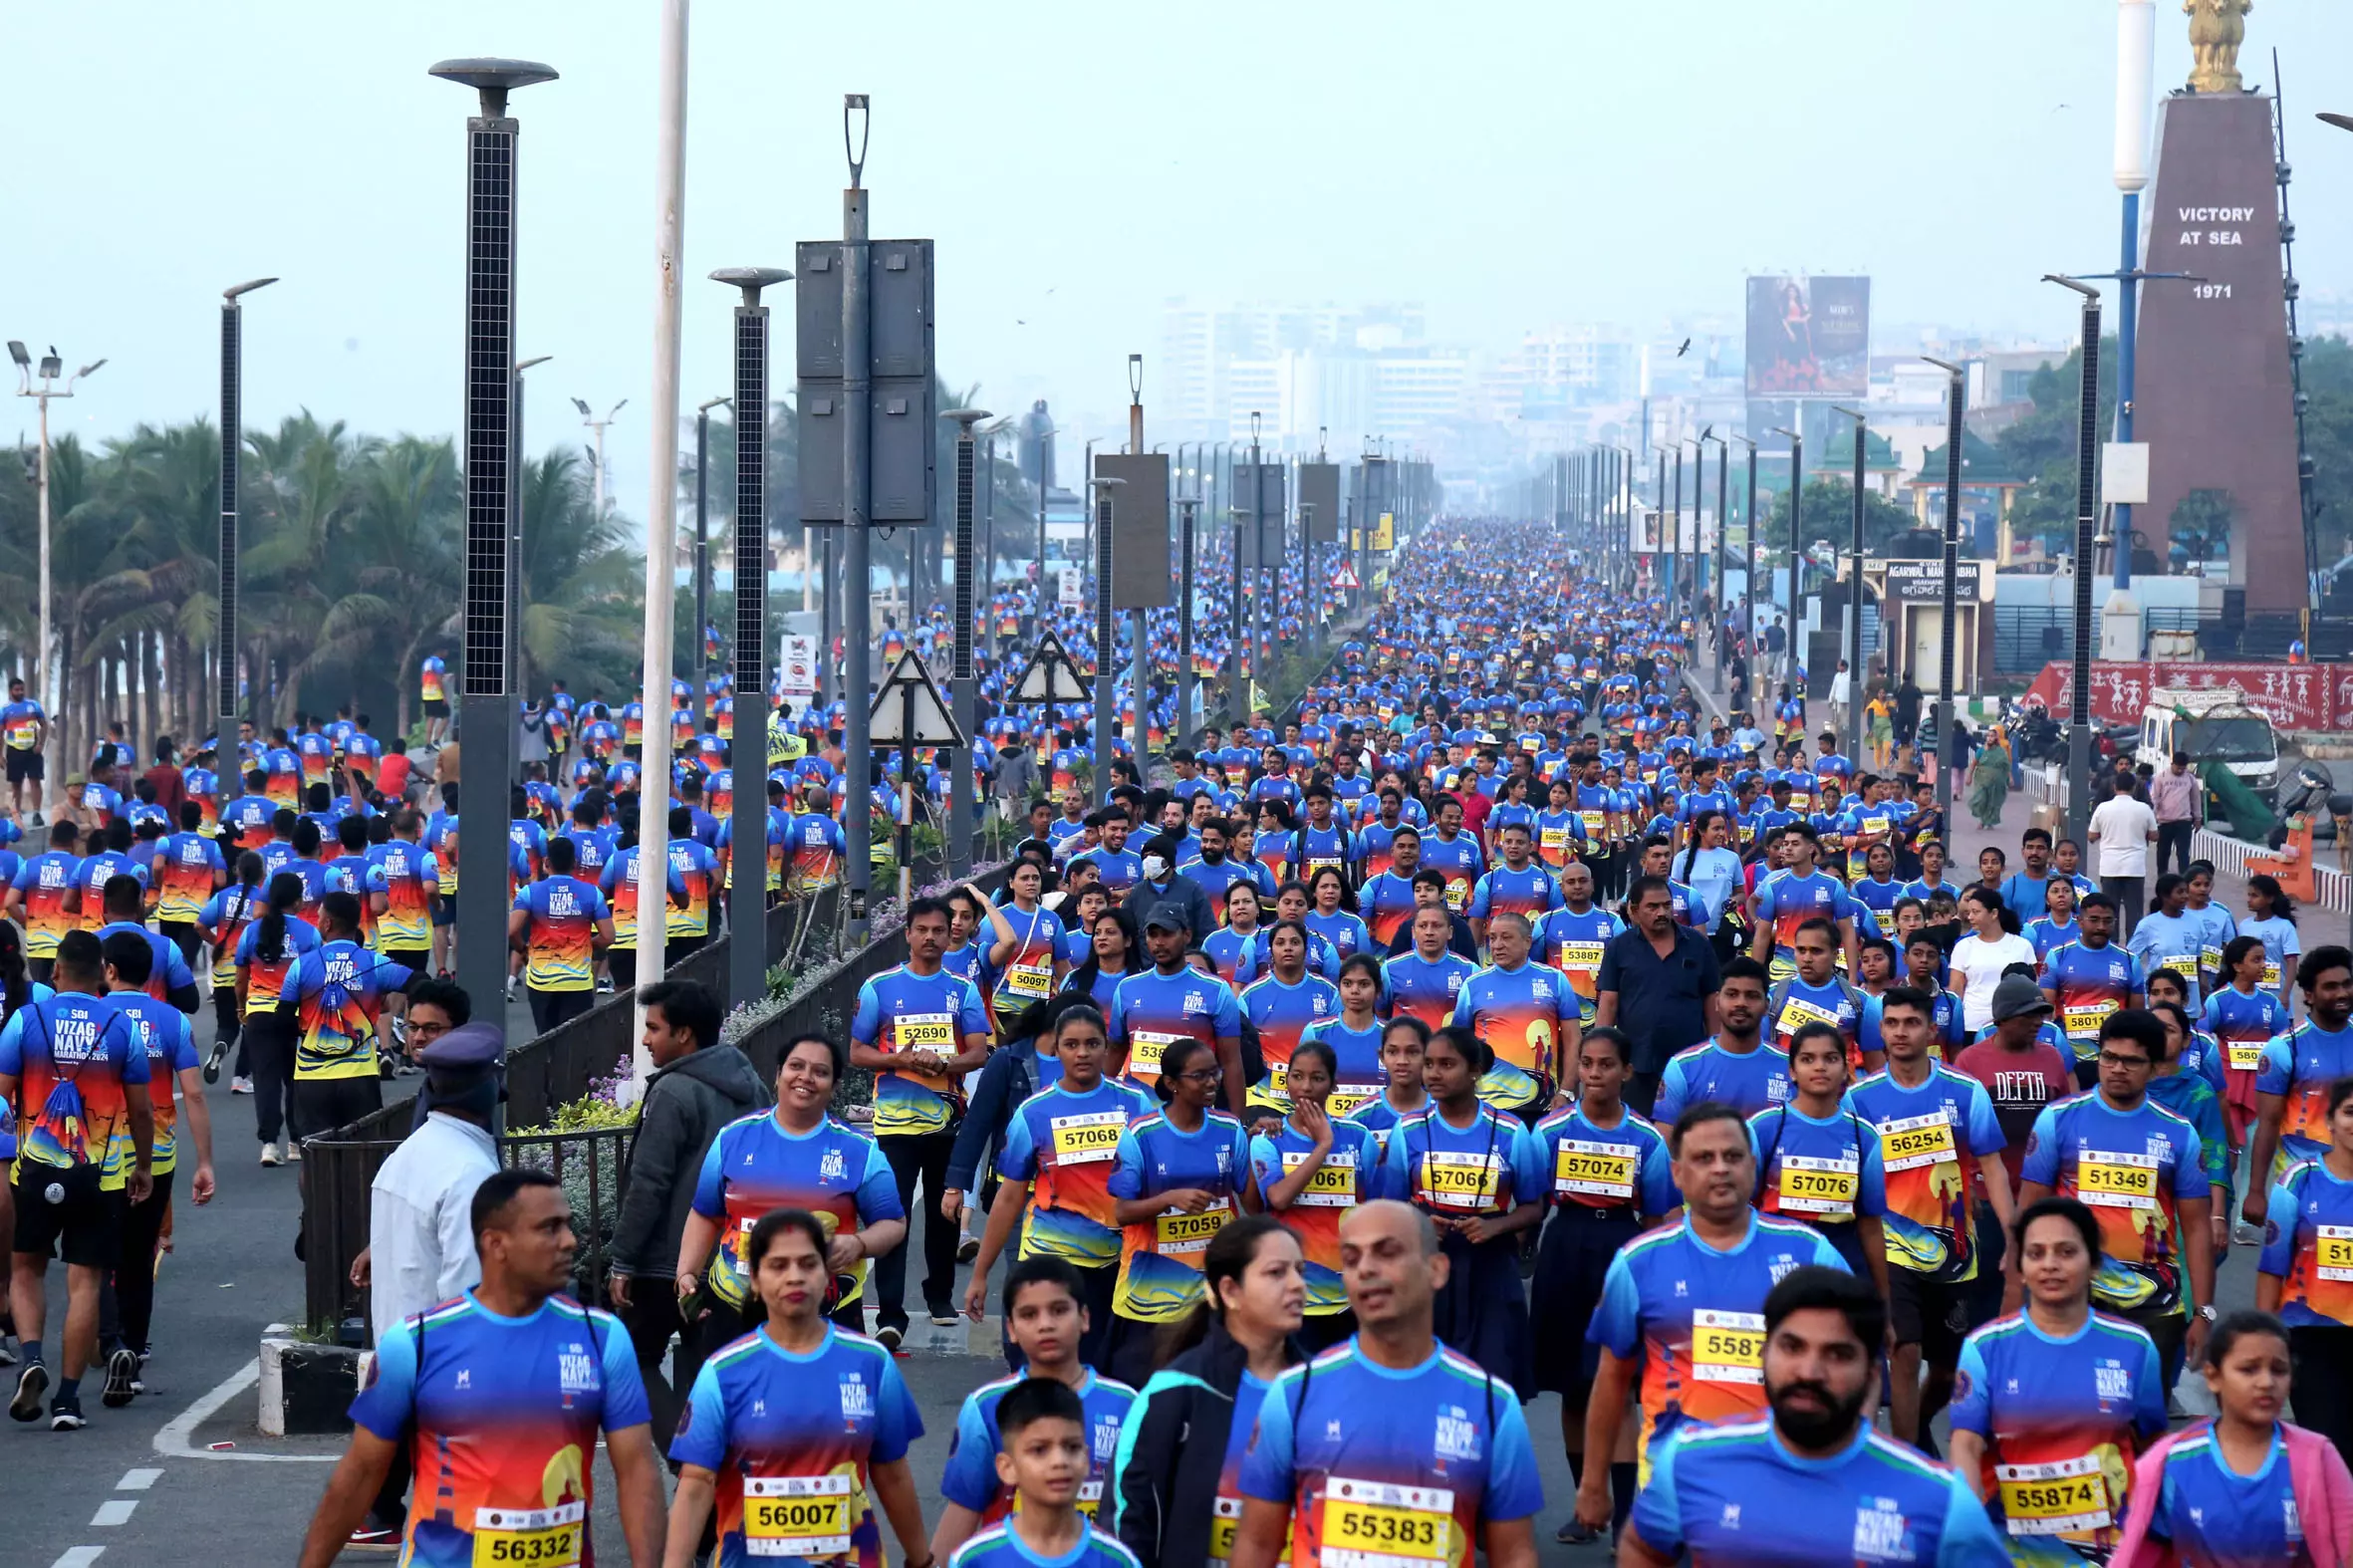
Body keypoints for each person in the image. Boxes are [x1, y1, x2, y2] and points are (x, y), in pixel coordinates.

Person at [300, 1170, 665, 1568]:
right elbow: (359, 1475)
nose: (570, 1241)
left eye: (568, 1226)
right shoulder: (416, 1344)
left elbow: (637, 1472)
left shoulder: (601, 1339)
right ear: (496, 1244)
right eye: (549, 1228)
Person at [1571, 1103, 1851, 1537]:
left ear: (1754, 1167)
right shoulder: (1638, 1263)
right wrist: (1592, 1485)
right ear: (1678, 1174)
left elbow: (1859, 1367)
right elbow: (1611, 1379)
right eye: (1704, 1159)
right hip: (1675, 1493)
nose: (1721, 1169)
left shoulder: (1810, 1254)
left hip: (1790, 1492)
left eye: (1733, 1156)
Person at [1621, 1265, 2008, 1566]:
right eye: (1792, 1347)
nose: (1809, 1371)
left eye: (1837, 1354)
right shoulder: (1688, 1461)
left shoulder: (1942, 1501)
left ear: (1872, 1374)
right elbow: (1642, 1547)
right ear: (1764, 1355)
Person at [1228, 1200, 1544, 1568]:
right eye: (1350, 1259)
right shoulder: (1294, 1395)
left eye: (1387, 1252)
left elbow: (1515, 1553)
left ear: (1437, 1270)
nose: (1366, 1269)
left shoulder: (1492, 1405)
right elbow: (1256, 1544)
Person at [660, 1205, 931, 1568]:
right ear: (754, 1279)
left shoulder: (870, 1363)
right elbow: (695, 1487)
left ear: (827, 1273)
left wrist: (922, 1560)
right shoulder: (723, 1373)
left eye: (808, 1263)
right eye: (778, 1265)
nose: (794, 1276)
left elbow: (893, 1474)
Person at [338, 1019, 503, 1549]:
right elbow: (469, 1283)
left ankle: (379, 1518)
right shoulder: (469, 1170)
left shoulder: (408, 1155)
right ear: (488, 1090)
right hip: (446, 1356)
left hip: (401, 1338)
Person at [1945, 1195, 2166, 1560]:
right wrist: (1966, 1524)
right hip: (2011, 1548)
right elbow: (1966, 1444)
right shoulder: (1983, 1348)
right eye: (2036, 1253)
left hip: (2107, 1549)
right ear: (2021, 1266)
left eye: (2066, 1252)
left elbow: (2152, 1446)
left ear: (2094, 1264)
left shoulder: (2135, 1347)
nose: (2050, 1265)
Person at [1846, 985, 2015, 1452]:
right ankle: (1907, 1461)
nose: (1901, 1033)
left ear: (1931, 1031)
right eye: (1892, 1024)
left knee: (1946, 1368)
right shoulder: (1858, 1100)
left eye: (1911, 1023)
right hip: (1889, 1250)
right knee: (1904, 1351)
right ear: (1880, 1030)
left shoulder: (1964, 1092)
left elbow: (1994, 1169)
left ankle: (1916, 1428)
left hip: (1956, 1253)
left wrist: (2013, 1236)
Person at [0, 928, 153, 1432]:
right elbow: (141, 1110)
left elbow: (1, 1099)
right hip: (100, 1176)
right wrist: (144, 1166)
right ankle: (67, 1399)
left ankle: (30, 1359)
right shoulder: (121, 1026)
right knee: (85, 1280)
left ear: (57, 971)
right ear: (102, 976)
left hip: (33, 1171)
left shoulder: (27, 1020)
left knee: (26, 1271)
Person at [2018, 1008, 2216, 1393]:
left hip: (2156, 1304)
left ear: (2155, 1067)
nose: (2117, 1068)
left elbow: (2195, 1227)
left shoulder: (2179, 1134)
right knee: (2076, 1414)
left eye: (2131, 1061)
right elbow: (2029, 1216)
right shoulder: (2057, 1120)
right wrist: (2020, 1296)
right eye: (2109, 1057)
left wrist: (2204, 1312)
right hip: (2074, 1297)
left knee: (2142, 1427)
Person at [604, 978, 766, 1439]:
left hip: (667, 1263)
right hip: (733, 1258)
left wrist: (623, 1260)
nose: (644, 1040)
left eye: (653, 1028)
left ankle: (689, 1457)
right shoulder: (751, 1085)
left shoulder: (674, 1091)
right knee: (710, 1367)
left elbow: (648, 1183)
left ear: (684, 1034)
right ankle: (713, 1476)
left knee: (632, 1360)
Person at [1530, 1026, 1673, 1546]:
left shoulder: (1647, 1139)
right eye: (1586, 1063)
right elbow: (1531, 1200)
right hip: (1564, 1249)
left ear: (1626, 1072)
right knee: (1572, 1387)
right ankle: (1584, 1507)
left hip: (1621, 1249)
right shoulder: (1549, 1131)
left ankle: (1626, 1516)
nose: (1594, 1074)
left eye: (1606, 1065)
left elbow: (1657, 1218)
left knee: (1620, 1388)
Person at [1106, 1216, 1306, 1568]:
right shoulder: (1175, 1391)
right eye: (1276, 1273)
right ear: (1230, 1290)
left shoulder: (1318, 1389)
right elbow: (1128, 1517)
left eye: (1300, 1271)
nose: (1297, 1285)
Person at [962, 1003, 1153, 1370]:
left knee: (1106, 1377)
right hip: (1050, 1260)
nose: (1082, 1053)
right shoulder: (1033, 1112)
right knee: (1047, 1372)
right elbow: (1009, 1198)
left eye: (1092, 1044)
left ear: (1107, 1049)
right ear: (1056, 1049)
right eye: (1071, 1044)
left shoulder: (1135, 1104)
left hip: (1118, 1266)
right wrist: (981, 1274)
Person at [850, 897, 994, 1345]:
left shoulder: (963, 990)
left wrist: (945, 1064)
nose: (931, 937)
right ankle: (891, 1313)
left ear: (953, 932)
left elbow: (978, 1051)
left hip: (948, 1123)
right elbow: (856, 1052)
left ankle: (939, 1296)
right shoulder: (879, 987)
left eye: (939, 929)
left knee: (944, 1214)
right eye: (923, 930)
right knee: (892, 1215)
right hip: (894, 1125)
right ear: (908, 934)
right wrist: (899, 1059)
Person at [931, 1257, 1140, 1557]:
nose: (1045, 1325)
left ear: (1084, 1318)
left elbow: (1142, 1511)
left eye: (1059, 1310)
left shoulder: (1127, 1405)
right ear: (1011, 1329)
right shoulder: (986, 1406)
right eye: (1029, 1314)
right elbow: (965, 1505)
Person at [2113, 1309, 2353, 1566]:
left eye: (2279, 1370)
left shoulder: (2317, 1457)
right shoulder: (2171, 1462)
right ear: (2213, 1376)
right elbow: (2139, 1549)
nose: (2266, 1382)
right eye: (2249, 1369)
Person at [1381, 1026, 1544, 1391]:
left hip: (1491, 1273)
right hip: (1426, 1272)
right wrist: (1422, 1223)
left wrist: (1496, 1227)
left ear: (1475, 1071)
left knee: (1490, 1389)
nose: (1434, 1074)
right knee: (1425, 1387)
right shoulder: (1406, 1130)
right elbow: (1391, 1206)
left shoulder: (1511, 1131)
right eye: (1430, 1064)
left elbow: (1534, 1207)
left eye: (1447, 1064)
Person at [93, 929, 211, 1403]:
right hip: (158, 1156)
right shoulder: (172, 1020)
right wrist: (205, 1162)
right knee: (140, 1257)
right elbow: (196, 1094)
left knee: (97, 1256)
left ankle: (108, 1340)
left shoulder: (97, 1016)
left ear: (110, 970)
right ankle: (134, 1355)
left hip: (102, 1155)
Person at [1102, 1035, 1258, 1388]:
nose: (1212, 1082)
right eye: (1199, 1075)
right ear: (1171, 1084)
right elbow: (1121, 1213)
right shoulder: (1140, 1134)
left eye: (1214, 1073)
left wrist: (1262, 1143)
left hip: (1210, 1300)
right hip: (1148, 1302)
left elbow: (1252, 1204)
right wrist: (1168, 1199)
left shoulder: (1229, 1130)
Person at [1248, 1037, 1381, 1353]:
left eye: (1317, 1078)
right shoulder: (1269, 1138)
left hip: (1350, 1293)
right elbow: (1278, 1198)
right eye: (1297, 1076)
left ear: (1333, 1085)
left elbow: (1375, 1209)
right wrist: (1322, 1146)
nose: (1306, 1086)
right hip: (1293, 1293)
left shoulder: (1359, 1138)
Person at [2253, 1071, 2353, 1464]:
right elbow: (2271, 1268)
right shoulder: (2298, 1180)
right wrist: (2260, 1340)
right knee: (2326, 1451)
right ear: (2330, 1121)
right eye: (2350, 1112)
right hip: (2311, 1339)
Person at [1749, 1020, 1891, 1294]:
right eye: (1807, 1059)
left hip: (1843, 1262)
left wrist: (1883, 1301)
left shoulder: (1866, 1137)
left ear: (1845, 1068)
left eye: (1831, 1058)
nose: (1819, 1067)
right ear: (1792, 1071)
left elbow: (1870, 1224)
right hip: (1776, 1263)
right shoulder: (1762, 1128)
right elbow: (1745, 1208)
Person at [946, 1377, 1145, 1568]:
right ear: (1007, 1468)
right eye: (1039, 1450)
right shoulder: (974, 1560)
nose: (1059, 1461)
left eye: (1072, 1447)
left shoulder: (1118, 1561)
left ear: (1085, 1459)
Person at [1595, 874, 1724, 1115]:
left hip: (1688, 1063)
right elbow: (1609, 1003)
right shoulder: (1620, 948)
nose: (1662, 912)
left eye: (1667, 905)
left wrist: (1715, 1050)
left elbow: (1711, 1000)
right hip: (1636, 1064)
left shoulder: (1697, 944)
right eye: (1652, 907)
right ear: (1634, 911)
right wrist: (1601, 1053)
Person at [2247, 947, 2353, 1234]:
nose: (2342, 993)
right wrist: (2256, 1190)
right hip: (2301, 1181)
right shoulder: (2284, 1048)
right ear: (2308, 995)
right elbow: (2268, 1123)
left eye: (2347, 984)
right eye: (2330, 987)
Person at [506, 835, 614, 1034]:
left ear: (546, 863)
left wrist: (523, 949)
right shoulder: (593, 894)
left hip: (541, 980)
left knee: (545, 1039)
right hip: (578, 981)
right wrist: (587, 945)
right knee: (575, 1042)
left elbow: (511, 930)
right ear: (574, 863)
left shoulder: (529, 893)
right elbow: (608, 937)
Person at [1950, 886, 2035, 1034]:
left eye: (1976, 912)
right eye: (1969, 912)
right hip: (1973, 1025)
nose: (1970, 917)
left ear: (1994, 913)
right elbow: (1956, 991)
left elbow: (2033, 986)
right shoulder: (1963, 947)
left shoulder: (2022, 946)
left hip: (2012, 1024)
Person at [2089, 772, 2158, 933]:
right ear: (2134, 788)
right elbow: (2154, 835)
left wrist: (2105, 833)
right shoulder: (2144, 809)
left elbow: (2091, 836)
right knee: (2134, 912)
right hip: (2135, 867)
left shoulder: (2103, 808)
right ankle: (2133, 949)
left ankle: (2111, 945)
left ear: (2114, 787)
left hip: (2109, 867)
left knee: (2109, 912)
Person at [2151, 750, 2201, 881]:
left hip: (2183, 821)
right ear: (2172, 764)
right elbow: (2155, 798)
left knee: (2183, 853)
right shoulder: (2160, 777)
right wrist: (2151, 819)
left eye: (2183, 768)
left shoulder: (2190, 778)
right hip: (2164, 821)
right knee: (2163, 852)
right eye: (2178, 767)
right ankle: (2162, 878)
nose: (2180, 771)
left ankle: (2184, 879)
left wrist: (2198, 818)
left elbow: (2195, 799)